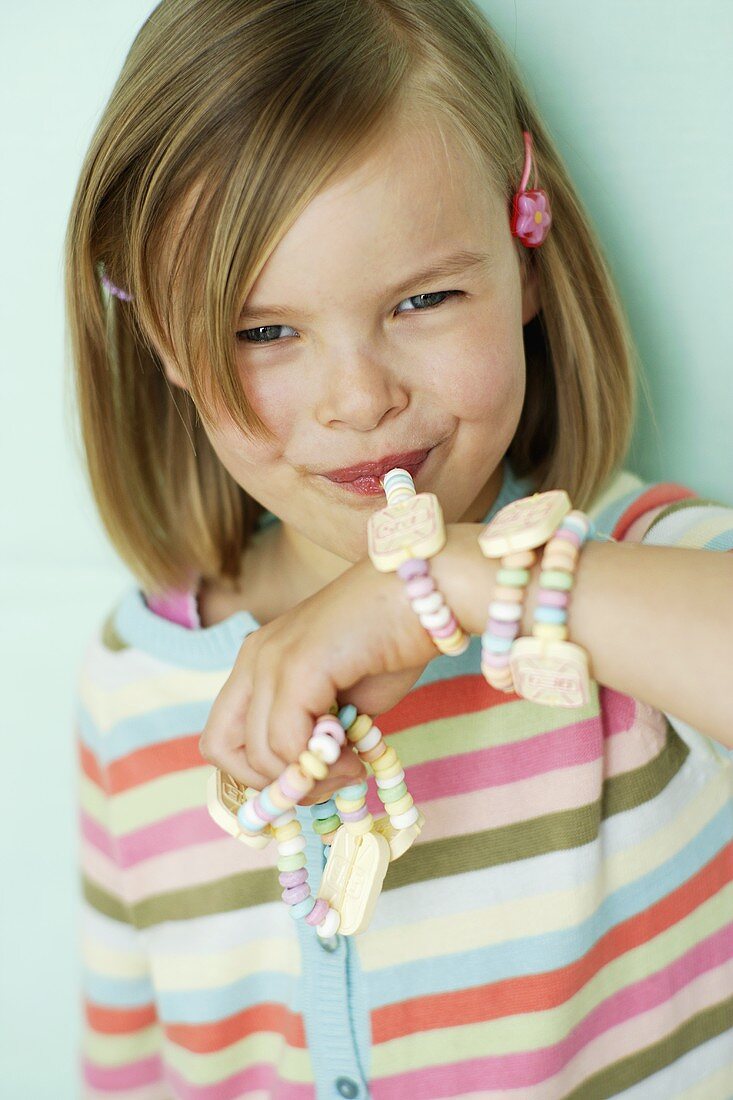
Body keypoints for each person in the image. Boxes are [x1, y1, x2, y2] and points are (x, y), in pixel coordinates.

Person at [66, 1, 733, 1097]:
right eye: (262, 330)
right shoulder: (131, 682)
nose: (360, 398)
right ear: (159, 341)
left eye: (423, 297)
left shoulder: (634, 571)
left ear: (527, 252)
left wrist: (451, 582)